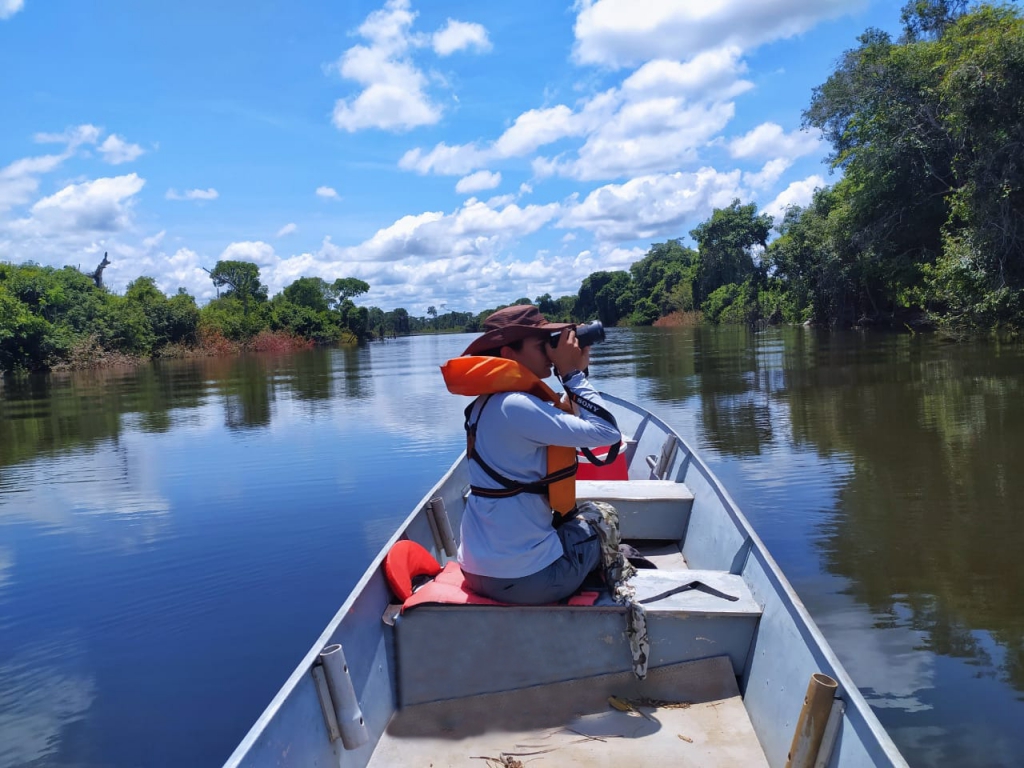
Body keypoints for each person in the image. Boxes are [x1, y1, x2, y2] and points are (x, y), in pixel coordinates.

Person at [440, 305, 622, 605]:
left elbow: (573, 422)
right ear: (510, 354)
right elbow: (607, 433)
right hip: (530, 580)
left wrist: (576, 372)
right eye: (542, 346)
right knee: (602, 517)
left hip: (475, 571)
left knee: (569, 521)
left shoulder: (487, 404)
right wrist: (572, 374)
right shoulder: (516, 405)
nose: (550, 353)